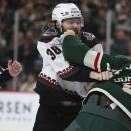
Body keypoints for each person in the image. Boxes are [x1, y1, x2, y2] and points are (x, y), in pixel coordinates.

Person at [61, 30, 131, 131]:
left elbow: (78, 54)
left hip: (90, 111)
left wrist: (68, 36)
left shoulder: (123, 64)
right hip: (119, 124)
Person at [33, 3, 108, 131]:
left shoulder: (91, 40)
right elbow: (67, 72)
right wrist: (94, 75)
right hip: (50, 109)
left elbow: (101, 68)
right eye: (70, 22)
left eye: (78, 22)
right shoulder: (49, 39)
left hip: (77, 109)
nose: (75, 26)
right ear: (58, 23)